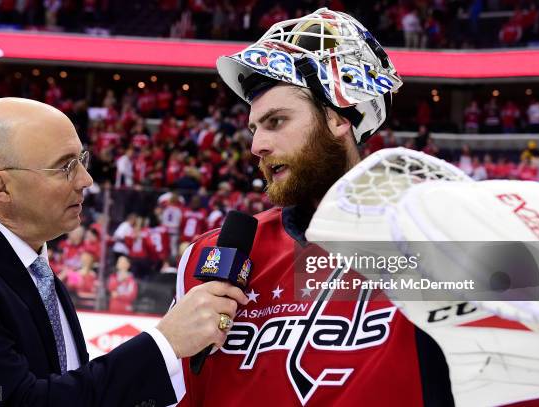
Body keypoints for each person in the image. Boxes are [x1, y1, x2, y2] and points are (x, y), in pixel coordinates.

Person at [175, 8, 453, 406]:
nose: (257, 146)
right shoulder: (211, 255)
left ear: (338, 118)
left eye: (276, 121)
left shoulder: (439, 237)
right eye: (254, 129)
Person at [0, 97, 248, 406]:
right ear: (0, 186)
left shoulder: (31, 268)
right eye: (65, 167)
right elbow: (13, 399)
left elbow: (66, 385)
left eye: (81, 161)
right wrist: (164, 342)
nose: (87, 180)